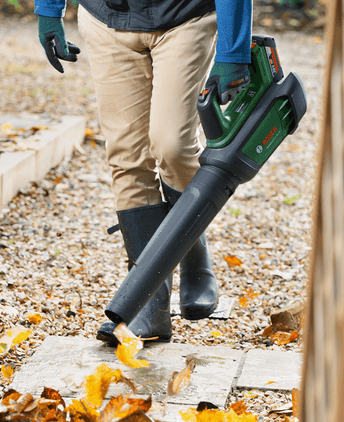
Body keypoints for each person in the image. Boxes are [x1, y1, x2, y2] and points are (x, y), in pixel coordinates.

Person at [34, 0, 252, 344]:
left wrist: (233, 51)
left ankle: (192, 253)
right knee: (126, 156)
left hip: (184, 18)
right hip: (107, 20)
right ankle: (147, 306)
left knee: (173, 146)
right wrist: (48, 10)